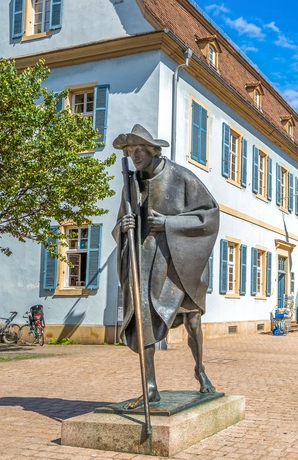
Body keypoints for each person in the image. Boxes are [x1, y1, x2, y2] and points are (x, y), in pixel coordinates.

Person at [113, 124, 219, 408]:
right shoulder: (131, 182)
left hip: (181, 264)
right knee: (141, 316)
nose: (134, 156)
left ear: (152, 150)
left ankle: (200, 369)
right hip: (146, 263)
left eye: (139, 150)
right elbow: (123, 220)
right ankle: (150, 386)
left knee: (193, 321)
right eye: (129, 151)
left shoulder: (181, 176)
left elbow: (209, 216)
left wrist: (170, 223)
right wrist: (123, 227)